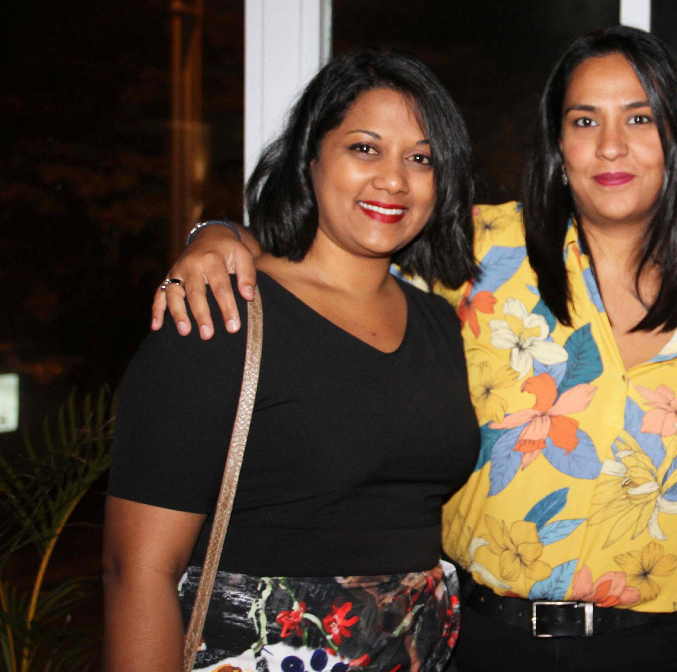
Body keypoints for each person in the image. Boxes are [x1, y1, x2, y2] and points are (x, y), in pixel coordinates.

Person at [150, 26, 677, 671]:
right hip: (488, 644)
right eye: (585, 119)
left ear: (676, 135)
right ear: (558, 143)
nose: (611, 145)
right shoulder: (480, 254)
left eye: (641, 117)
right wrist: (219, 235)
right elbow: (330, 259)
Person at [103, 48, 481, 672]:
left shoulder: (439, 322)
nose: (394, 179)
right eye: (365, 148)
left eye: (421, 158)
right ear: (310, 158)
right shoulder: (222, 312)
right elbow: (135, 571)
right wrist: (214, 233)